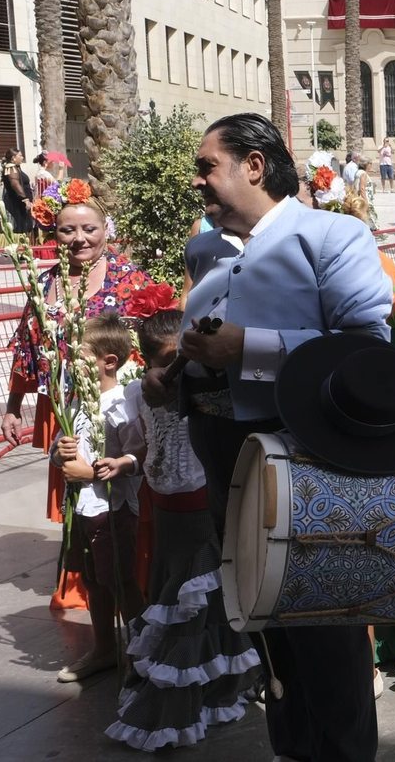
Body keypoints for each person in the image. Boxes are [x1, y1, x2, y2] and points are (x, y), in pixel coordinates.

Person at [140, 112, 390, 762]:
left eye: (206, 167)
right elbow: (208, 343)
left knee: (325, 639)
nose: (196, 181)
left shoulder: (334, 236)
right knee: (266, 625)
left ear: (254, 166)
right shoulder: (207, 249)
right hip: (224, 461)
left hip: (303, 470)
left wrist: (245, 348)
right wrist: (177, 372)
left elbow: (364, 348)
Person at [107, 302, 262, 750]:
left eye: (185, 357)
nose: (177, 368)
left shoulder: (208, 387)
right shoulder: (140, 392)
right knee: (176, 598)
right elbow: (142, 443)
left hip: (199, 501)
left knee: (199, 602)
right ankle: (197, 692)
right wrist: (127, 462)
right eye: (167, 361)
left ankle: (197, 698)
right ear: (147, 362)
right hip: (164, 507)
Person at [1, 181, 154, 611]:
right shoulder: (44, 283)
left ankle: (129, 582)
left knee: (120, 497)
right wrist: (14, 406)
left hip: (119, 407)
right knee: (77, 497)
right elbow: (28, 348)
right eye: (67, 231)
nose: (79, 239)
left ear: (106, 228)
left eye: (88, 229)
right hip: (63, 410)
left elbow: (153, 344)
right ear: (55, 235)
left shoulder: (131, 279)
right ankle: (83, 585)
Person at [48, 311, 145, 683]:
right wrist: (60, 453)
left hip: (112, 509)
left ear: (108, 361)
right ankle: (105, 648)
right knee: (92, 578)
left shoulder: (123, 404)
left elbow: (137, 458)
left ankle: (141, 652)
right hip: (81, 508)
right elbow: (60, 444)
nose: (71, 364)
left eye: (80, 356)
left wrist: (91, 472)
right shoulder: (74, 401)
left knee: (120, 580)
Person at [0, 149, 33, 235]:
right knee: (20, 227)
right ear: (14, 157)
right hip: (16, 203)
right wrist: (25, 199)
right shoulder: (11, 168)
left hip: (20, 203)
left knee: (26, 226)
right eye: (20, 155)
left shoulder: (15, 168)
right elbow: (15, 184)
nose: (22, 157)